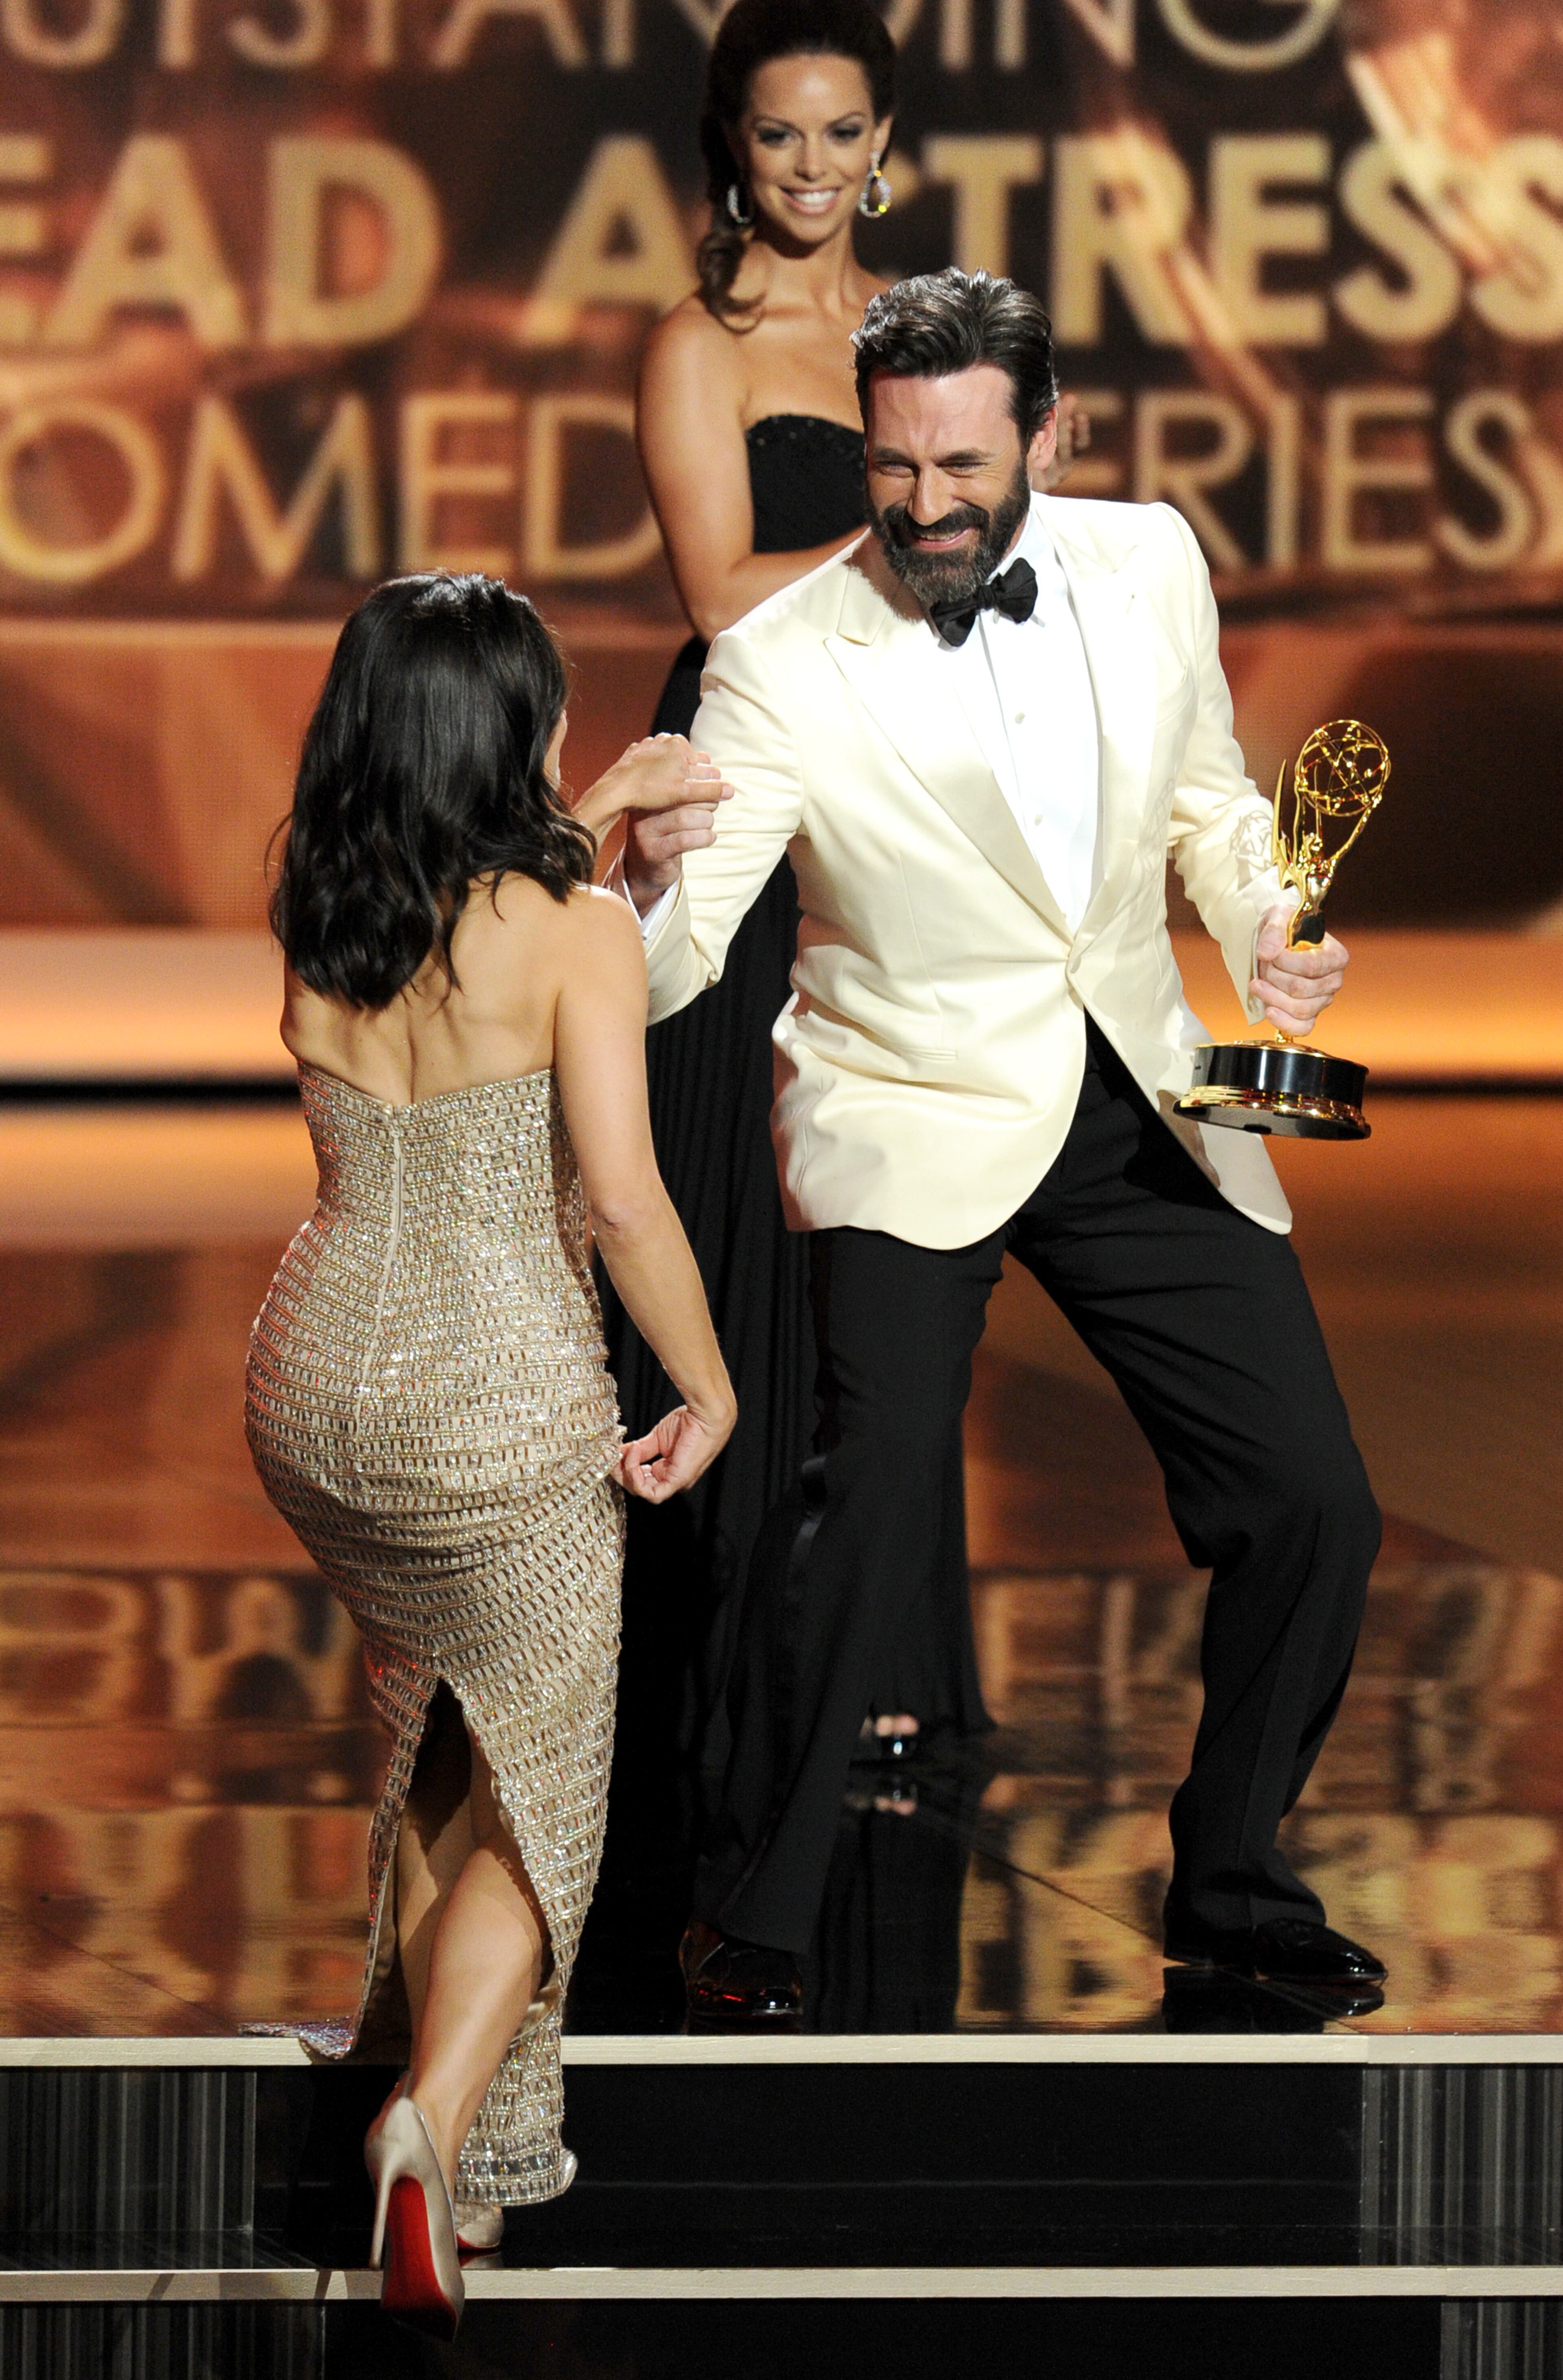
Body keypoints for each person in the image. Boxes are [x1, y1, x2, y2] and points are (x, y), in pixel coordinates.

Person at [622, 268, 1386, 2028]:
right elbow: (681, 956)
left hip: (1130, 1086)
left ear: (1047, 434)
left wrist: (1270, 917)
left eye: (964, 463)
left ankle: (1237, 1874)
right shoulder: (780, 663)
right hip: (910, 1104)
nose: (926, 505)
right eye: (896, 467)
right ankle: (760, 1908)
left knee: (1315, 1499)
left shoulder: (1150, 562)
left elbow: (1208, 802)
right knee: (870, 1504)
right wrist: (644, 881)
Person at [245, 573, 735, 2334]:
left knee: (455, 1733)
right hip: (500, 1410)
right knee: (548, 1803)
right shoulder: (572, 928)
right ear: (506, 732)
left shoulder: (318, 902)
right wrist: (711, 1384)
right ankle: (429, 2128)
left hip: (315, 1392)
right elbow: (618, 1196)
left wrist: (583, 840)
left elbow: (454, 935)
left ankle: (434, 2126)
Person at [609, 0, 980, 1793]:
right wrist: (918, 509)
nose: (815, 169)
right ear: (730, 151)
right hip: (752, 775)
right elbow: (715, 587)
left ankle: (876, 1638)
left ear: (885, 140)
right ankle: (716, 1624)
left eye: (844, 135)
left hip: (902, 785)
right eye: (781, 138)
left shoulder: (928, 333)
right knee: (741, 1189)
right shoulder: (700, 342)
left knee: (899, 1189)